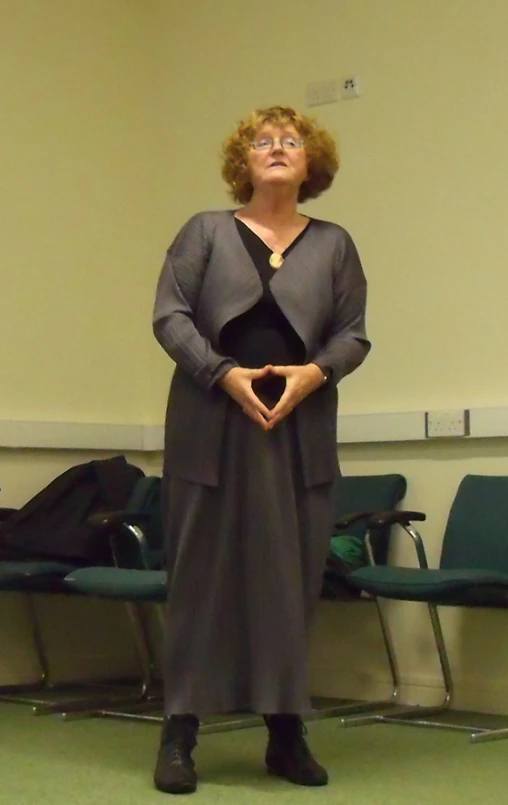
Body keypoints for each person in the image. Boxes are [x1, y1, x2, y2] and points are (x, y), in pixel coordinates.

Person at [152, 105, 370, 795]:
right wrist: (222, 373)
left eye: (291, 140)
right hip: (209, 425)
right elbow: (170, 314)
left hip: (296, 432)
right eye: (262, 141)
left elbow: (353, 333)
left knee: (288, 581)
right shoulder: (205, 232)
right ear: (243, 161)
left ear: (313, 163)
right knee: (198, 579)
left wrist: (316, 373)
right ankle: (179, 732)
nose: (276, 148)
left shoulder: (335, 243)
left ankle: (285, 733)